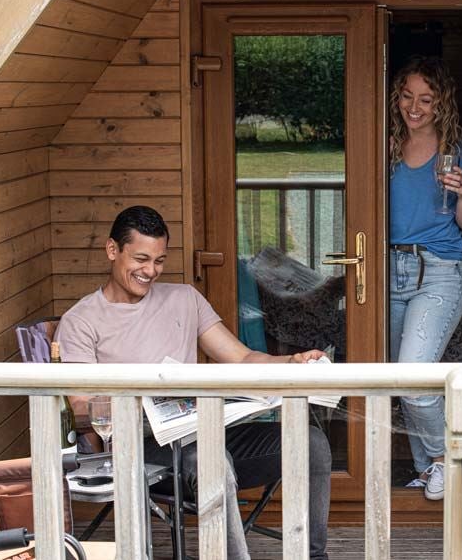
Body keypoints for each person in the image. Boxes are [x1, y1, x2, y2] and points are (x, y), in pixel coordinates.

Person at [56, 205, 332, 560]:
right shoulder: (81, 321)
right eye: (141, 259)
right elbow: (82, 409)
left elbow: (243, 358)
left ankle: (314, 556)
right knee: (213, 462)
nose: (150, 271)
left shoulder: (184, 298)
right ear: (113, 250)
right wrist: (146, 395)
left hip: (205, 428)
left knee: (311, 442)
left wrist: (291, 363)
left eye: (159, 260)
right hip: (144, 447)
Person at [388, 56, 462, 501]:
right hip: (385, 271)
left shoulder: (460, 149)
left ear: (440, 102)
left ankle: (449, 458)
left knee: (413, 375)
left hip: (439, 272)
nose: (415, 106)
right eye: (408, 96)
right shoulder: (385, 144)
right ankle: (431, 470)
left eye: (425, 99)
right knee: (403, 384)